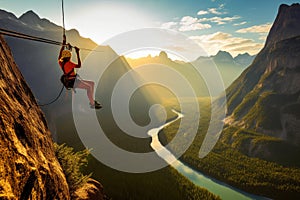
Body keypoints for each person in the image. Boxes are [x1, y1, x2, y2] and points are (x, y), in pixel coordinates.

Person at [58, 35, 102, 109]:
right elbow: (79, 65)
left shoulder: (61, 63)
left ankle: (92, 100)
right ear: (69, 57)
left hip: (71, 81)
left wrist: (64, 43)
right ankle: (92, 103)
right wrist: (78, 53)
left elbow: (60, 55)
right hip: (73, 82)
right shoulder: (69, 64)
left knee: (92, 84)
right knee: (88, 87)